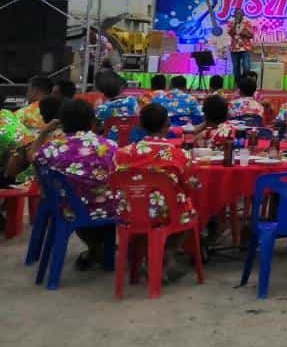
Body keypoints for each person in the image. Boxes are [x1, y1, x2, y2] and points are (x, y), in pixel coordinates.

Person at [29, 97, 119, 268]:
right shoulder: (110, 145)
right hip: (109, 207)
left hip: (68, 209)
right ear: (92, 122)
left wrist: (44, 132)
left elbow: (32, 157)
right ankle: (99, 250)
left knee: (75, 199)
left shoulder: (51, 149)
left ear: (62, 124)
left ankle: (95, 249)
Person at [116, 102, 200, 281]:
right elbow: (190, 185)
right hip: (168, 215)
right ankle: (166, 256)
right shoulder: (175, 153)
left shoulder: (124, 153)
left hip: (131, 212)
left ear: (140, 125)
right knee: (186, 209)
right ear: (167, 125)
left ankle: (144, 256)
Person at [227, 12, 256, 82]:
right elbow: (231, 33)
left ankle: (245, 82)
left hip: (245, 48)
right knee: (236, 67)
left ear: (242, 15)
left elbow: (251, 35)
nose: (238, 15)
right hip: (234, 48)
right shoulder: (231, 23)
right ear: (234, 15)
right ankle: (238, 83)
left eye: (240, 14)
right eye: (237, 14)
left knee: (246, 66)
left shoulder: (247, 23)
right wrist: (235, 25)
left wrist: (242, 31)